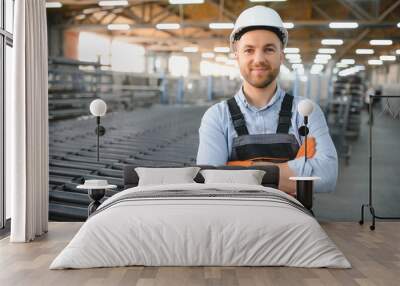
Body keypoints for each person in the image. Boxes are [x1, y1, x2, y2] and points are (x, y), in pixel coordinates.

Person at [196, 6, 338, 194]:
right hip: (237, 220)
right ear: (236, 56)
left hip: (292, 221)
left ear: (281, 56)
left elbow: (326, 176)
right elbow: (211, 182)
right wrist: (290, 171)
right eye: (249, 50)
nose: (259, 59)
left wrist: (238, 168)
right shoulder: (217, 117)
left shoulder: (305, 112)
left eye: (269, 49)